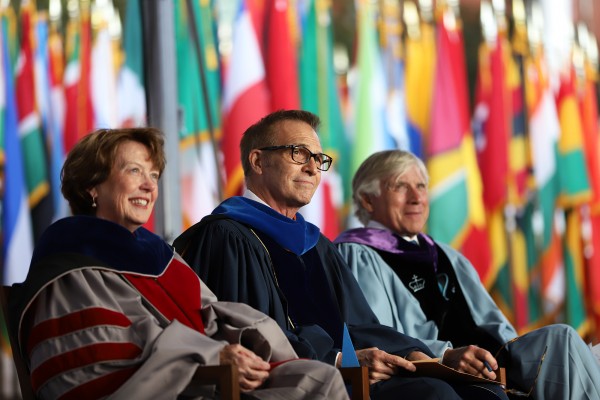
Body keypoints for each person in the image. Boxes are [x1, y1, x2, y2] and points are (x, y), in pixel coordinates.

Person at [174, 110, 508, 400]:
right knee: (432, 395)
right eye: (298, 153)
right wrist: (339, 360)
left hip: (353, 375)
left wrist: (431, 357)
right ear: (258, 161)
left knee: (483, 392)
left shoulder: (317, 245)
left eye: (318, 159)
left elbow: (362, 324)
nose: (311, 168)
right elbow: (248, 333)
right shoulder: (225, 237)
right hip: (293, 383)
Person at [8, 127, 348, 400]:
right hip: (173, 385)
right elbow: (99, 363)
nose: (148, 185)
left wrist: (243, 344)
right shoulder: (70, 262)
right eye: (134, 171)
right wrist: (213, 356)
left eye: (154, 175)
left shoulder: (159, 256)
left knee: (318, 379)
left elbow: (212, 315)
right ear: (92, 186)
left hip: (204, 377)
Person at [334, 149, 600, 400]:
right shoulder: (357, 254)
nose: (416, 197)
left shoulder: (446, 255)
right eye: (401, 186)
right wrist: (444, 355)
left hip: (488, 363)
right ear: (368, 200)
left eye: (422, 186)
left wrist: (509, 359)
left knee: (568, 347)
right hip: (433, 371)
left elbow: (494, 325)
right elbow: (379, 336)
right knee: (565, 343)